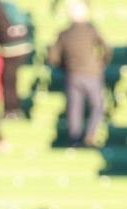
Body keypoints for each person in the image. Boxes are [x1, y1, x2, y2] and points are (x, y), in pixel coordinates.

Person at [48, 1, 111, 148]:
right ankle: (90, 134)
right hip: (92, 74)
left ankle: (74, 139)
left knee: (74, 108)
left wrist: (65, 67)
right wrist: (102, 63)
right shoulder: (91, 31)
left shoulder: (64, 34)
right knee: (97, 106)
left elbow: (53, 57)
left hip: (73, 75)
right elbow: (107, 49)